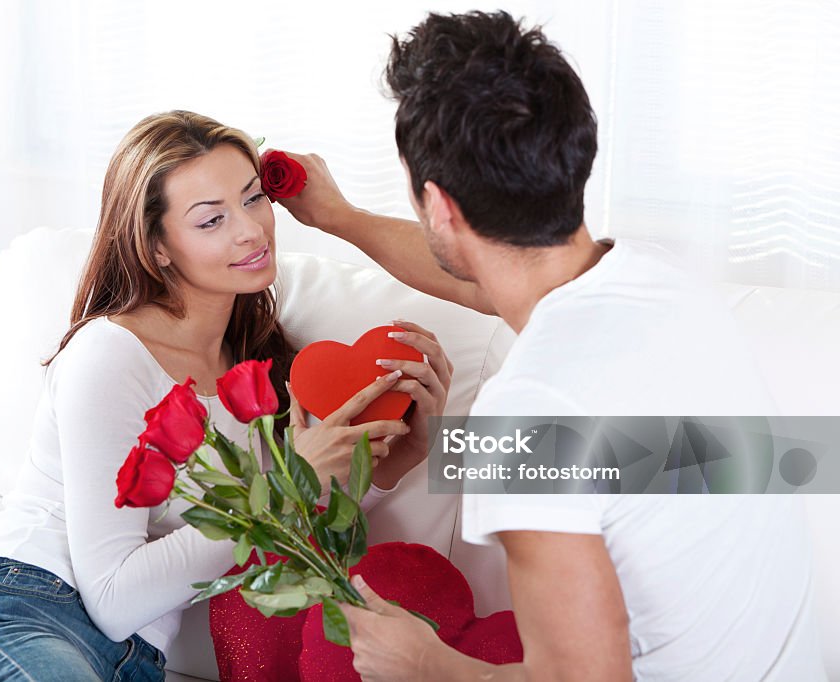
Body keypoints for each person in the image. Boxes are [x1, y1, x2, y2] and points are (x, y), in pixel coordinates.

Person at [277, 10, 826, 682]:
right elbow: (495, 289)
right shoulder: (661, 279)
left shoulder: (530, 406)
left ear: (441, 208)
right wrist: (340, 217)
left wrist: (424, 662)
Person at [0, 111, 452, 681]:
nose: (250, 230)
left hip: (134, 662)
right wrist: (283, 487)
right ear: (158, 246)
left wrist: (404, 457)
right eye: (211, 220)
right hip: (26, 611)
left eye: (252, 199)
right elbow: (114, 597)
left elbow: (282, 533)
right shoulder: (110, 353)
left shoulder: (259, 373)